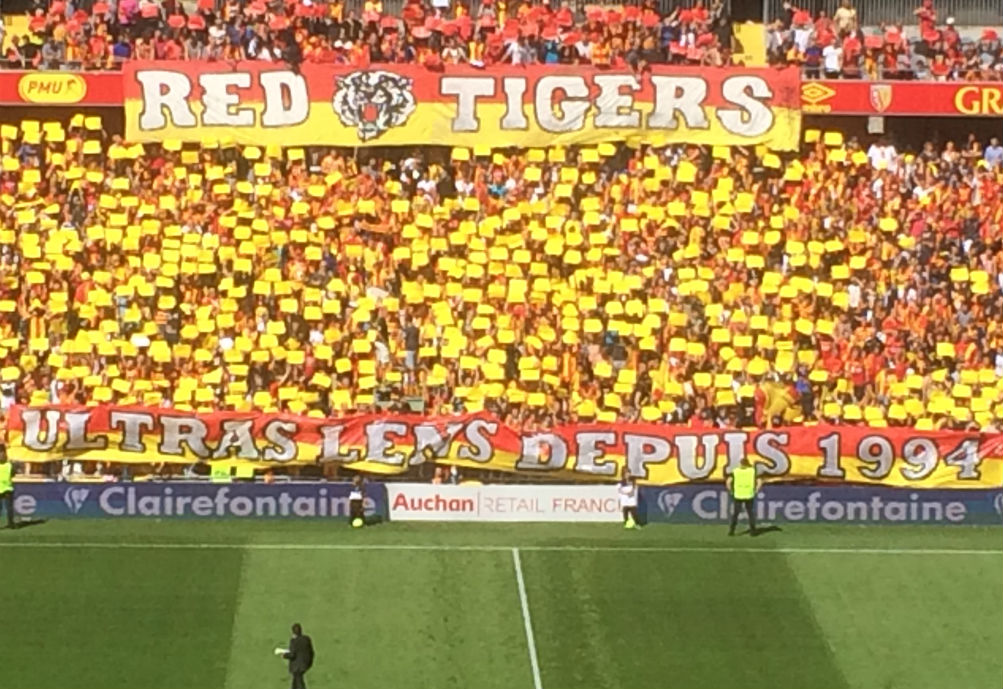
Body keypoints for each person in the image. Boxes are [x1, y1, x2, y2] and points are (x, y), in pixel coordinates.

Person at [726, 457, 761, 536]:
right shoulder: (752, 471)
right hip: (749, 495)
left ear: (740, 463)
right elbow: (759, 481)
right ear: (748, 464)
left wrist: (731, 491)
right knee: (750, 513)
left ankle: (732, 531)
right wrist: (756, 490)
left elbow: (728, 482)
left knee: (736, 513)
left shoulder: (736, 471)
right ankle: (753, 531)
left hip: (738, 495)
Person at [275, 623, 314, 689]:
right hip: (305, 665)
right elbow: (311, 652)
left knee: (299, 684)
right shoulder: (306, 639)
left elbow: (292, 654)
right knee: (295, 684)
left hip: (297, 667)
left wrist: (284, 655)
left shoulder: (294, 641)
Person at [0, 445, 14, 529]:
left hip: (7, 488)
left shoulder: (9, 465)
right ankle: (11, 524)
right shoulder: (9, 465)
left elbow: (13, 473)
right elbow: (13, 474)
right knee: (7, 507)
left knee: (9, 508)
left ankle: (11, 523)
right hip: (5, 487)